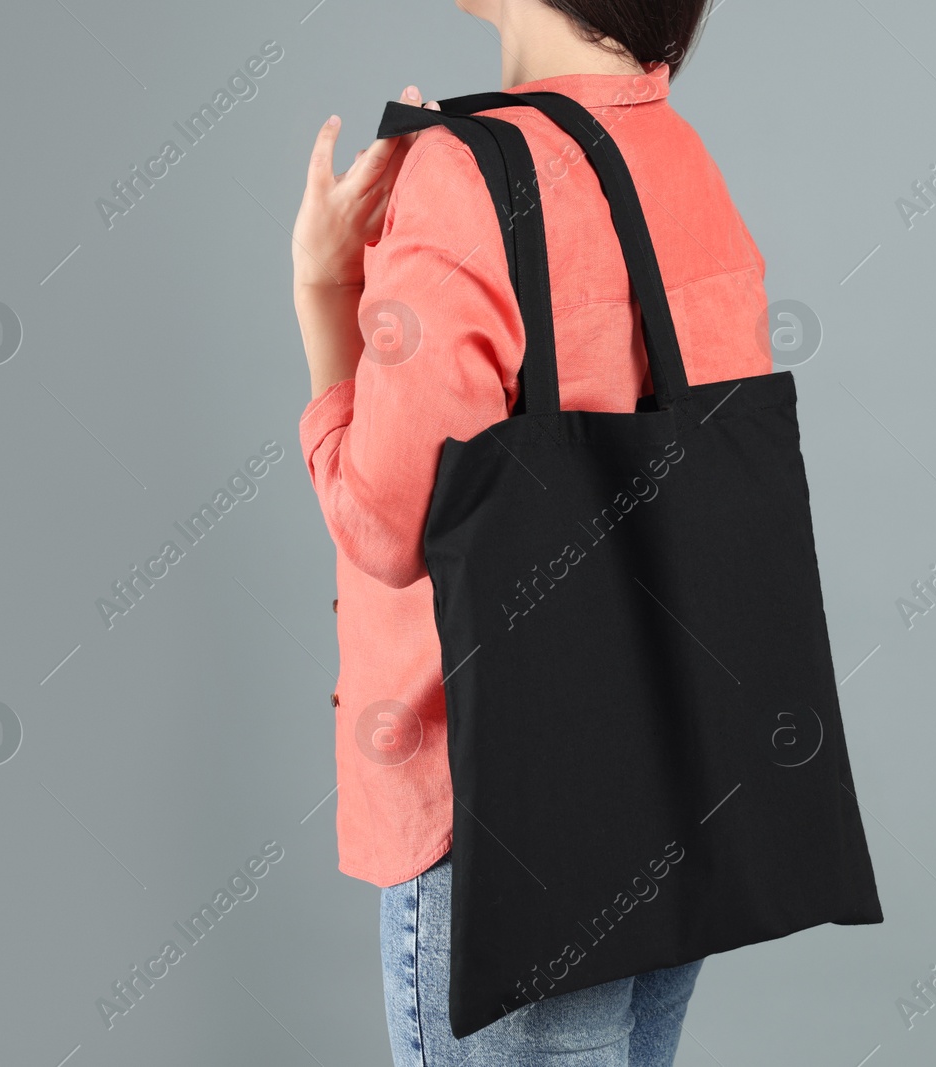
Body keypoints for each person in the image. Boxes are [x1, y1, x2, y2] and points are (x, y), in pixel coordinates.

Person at [289, 0, 770, 1062]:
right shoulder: (674, 155)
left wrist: (327, 295)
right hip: (667, 775)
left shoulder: (462, 175)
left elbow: (390, 524)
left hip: (497, 805)